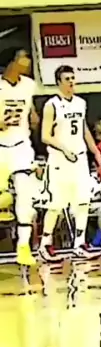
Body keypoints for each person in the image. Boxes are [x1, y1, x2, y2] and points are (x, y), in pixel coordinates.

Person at [40, 65, 101, 262]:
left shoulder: (80, 103)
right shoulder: (52, 105)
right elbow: (45, 136)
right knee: (56, 204)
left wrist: (96, 152)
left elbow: (84, 130)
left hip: (79, 158)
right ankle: (45, 245)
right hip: (60, 160)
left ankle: (79, 244)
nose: (71, 82)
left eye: (72, 78)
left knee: (83, 201)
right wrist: (64, 149)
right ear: (59, 82)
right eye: (67, 79)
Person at [0, 48, 39, 266]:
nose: (28, 61)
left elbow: (31, 111)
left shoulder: (29, 85)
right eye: (24, 57)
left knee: (26, 196)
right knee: (4, 197)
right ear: (12, 62)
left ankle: (23, 246)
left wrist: (33, 117)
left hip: (21, 145)